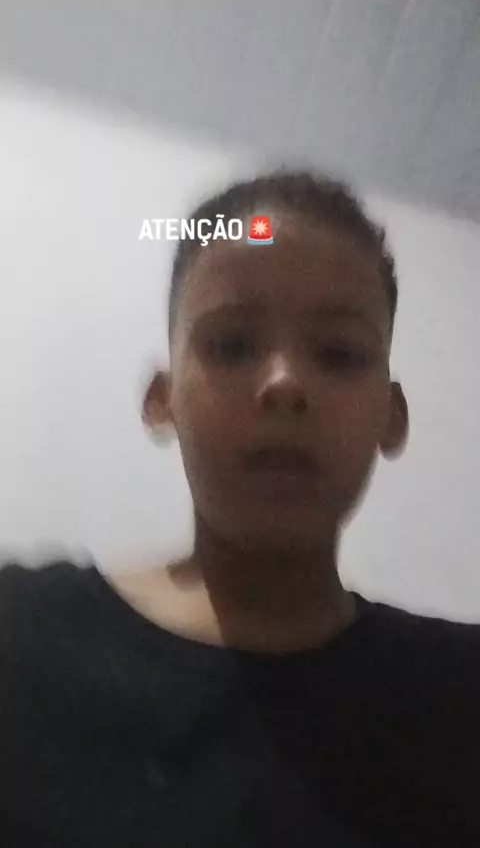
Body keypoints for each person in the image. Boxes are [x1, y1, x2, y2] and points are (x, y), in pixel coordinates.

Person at [1, 169, 479, 848]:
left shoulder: (458, 697)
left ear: (391, 415)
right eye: (231, 345)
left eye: (339, 354)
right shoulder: (18, 635)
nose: (284, 384)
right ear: (162, 399)